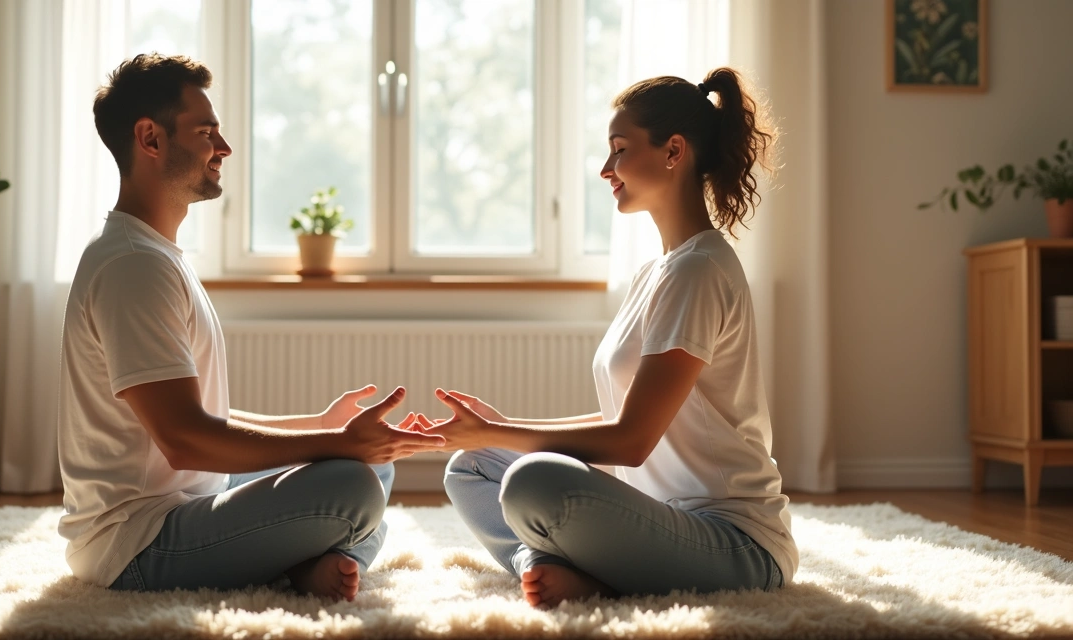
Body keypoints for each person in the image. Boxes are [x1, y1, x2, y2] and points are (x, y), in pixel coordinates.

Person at [56, 53, 444, 599]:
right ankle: (305, 566)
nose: (224, 148)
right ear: (150, 139)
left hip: (188, 499)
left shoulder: (154, 255)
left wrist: (317, 428)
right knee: (351, 483)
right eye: (206, 131)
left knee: (371, 467)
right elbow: (185, 439)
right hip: (137, 543)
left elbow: (190, 410)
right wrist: (332, 443)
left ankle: (308, 562)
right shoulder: (133, 266)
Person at [417, 68, 797, 608]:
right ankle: (552, 563)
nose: (605, 169)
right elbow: (627, 418)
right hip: (656, 519)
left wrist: (499, 430)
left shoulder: (699, 272)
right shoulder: (656, 273)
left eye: (619, 149)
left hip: (735, 544)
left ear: (673, 151)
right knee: (473, 466)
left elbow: (630, 442)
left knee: (533, 482)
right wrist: (489, 433)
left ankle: (580, 569)